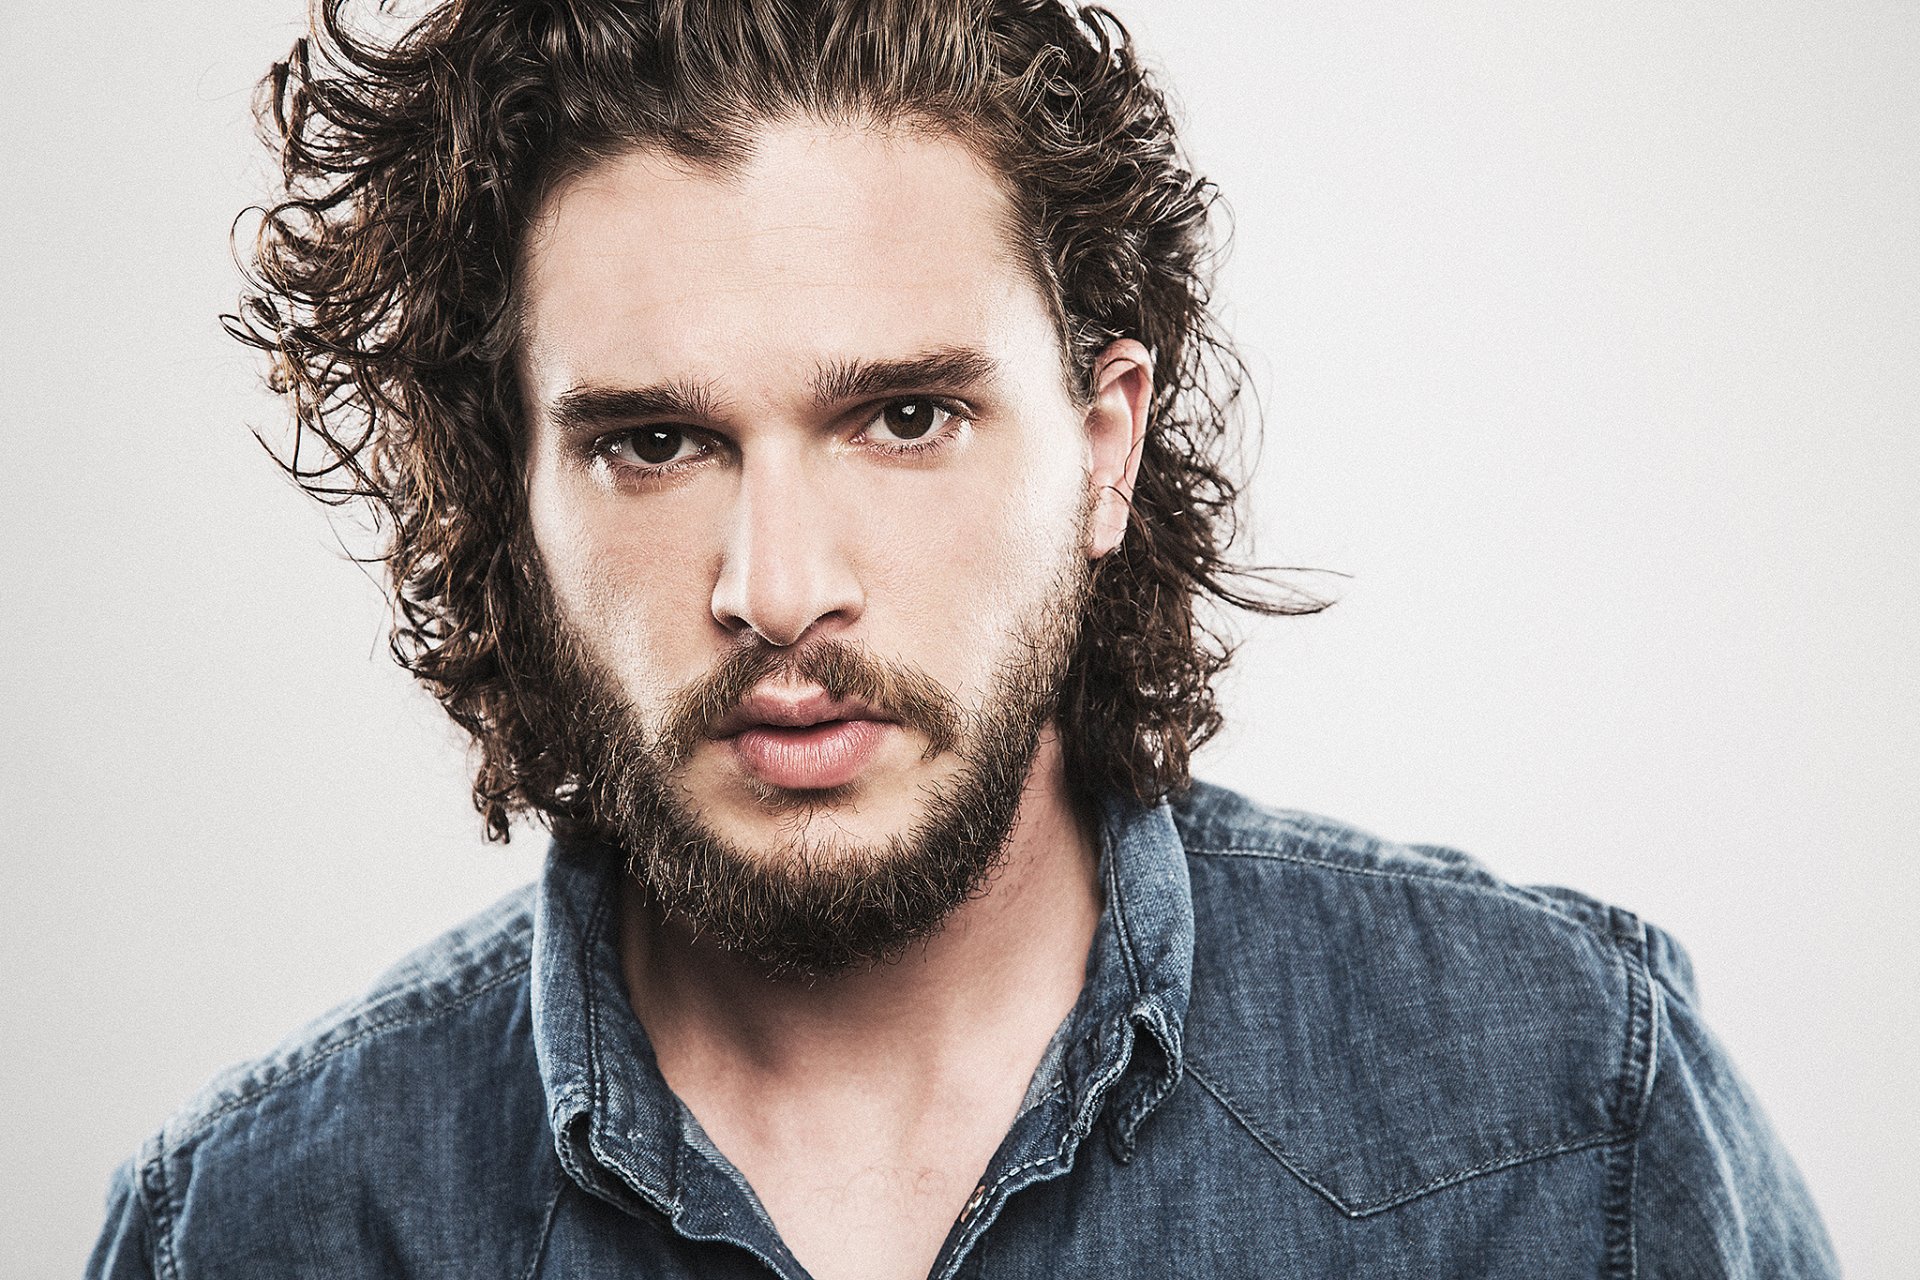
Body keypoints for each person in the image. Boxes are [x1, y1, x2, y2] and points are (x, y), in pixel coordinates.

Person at [89, 1, 1837, 1276]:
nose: (776, 589)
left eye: (904, 418)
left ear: (1101, 443)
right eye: (653, 442)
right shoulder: (254, 1230)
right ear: (513, 489)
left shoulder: (1564, 1117)